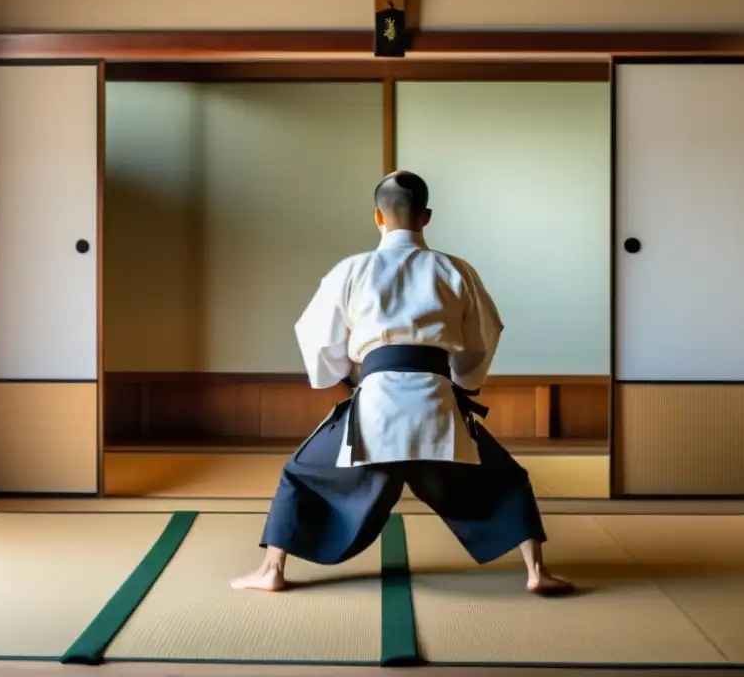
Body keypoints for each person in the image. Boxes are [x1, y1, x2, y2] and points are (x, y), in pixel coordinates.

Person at [231, 171, 572, 596]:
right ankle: (536, 571)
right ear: (426, 217)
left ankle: (271, 570)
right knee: (505, 478)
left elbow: (317, 336)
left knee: (300, 473)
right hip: (438, 405)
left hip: (374, 403)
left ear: (377, 216)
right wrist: (464, 382)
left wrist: (344, 381)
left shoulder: (351, 270)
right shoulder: (455, 270)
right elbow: (484, 336)